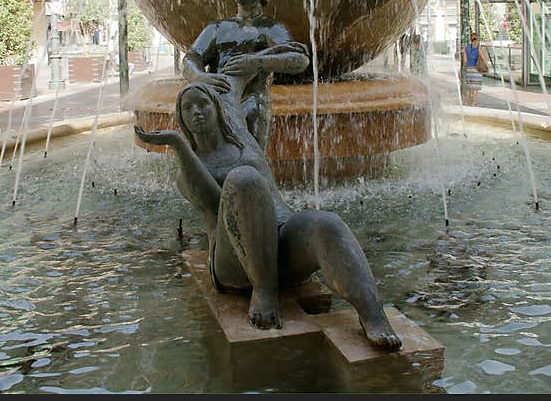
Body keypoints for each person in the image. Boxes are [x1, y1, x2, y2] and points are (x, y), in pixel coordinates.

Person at [134, 80, 402, 351]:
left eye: (203, 104)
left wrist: (251, 60)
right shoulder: (188, 172)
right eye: (188, 108)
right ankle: (264, 290)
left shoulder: (243, 141)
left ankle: (374, 316)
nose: (197, 112)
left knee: (327, 223)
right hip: (237, 263)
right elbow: (215, 206)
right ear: (181, 118)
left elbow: (237, 75)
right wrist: (178, 144)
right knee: (244, 179)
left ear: (218, 109)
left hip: (283, 243)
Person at [181, 0, 309, 152]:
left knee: (253, 115)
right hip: (217, 101)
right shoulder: (217, 28)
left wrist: (256, 63)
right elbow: (191, 58)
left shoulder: (271, 28)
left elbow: (300, 60)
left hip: (252, 102)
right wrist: (199, 76)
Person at [461, 32, 487, 106]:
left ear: (471, 39)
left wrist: (463, 69)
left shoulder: (466, 48)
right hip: (477, 69)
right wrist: (487, 66)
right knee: (475, 88)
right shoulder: (479, 47)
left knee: (469, 88)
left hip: (469, 69)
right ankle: (474, 103)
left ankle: (466, 103)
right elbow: (483, 58)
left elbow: (465, 61)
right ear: (478, 39)